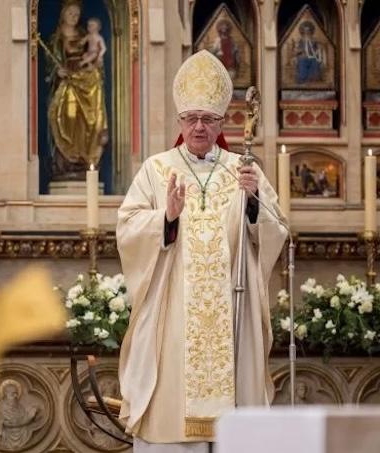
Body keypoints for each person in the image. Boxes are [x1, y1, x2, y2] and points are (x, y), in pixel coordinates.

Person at [116, 50, 287, 453]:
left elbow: (276, 230)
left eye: (208, 119)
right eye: (191, 118)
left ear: (221, 122)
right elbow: (127, 227)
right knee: (172, 410)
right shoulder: (157, 169)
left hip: (232, 310)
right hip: (174, 313)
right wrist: (166, 218)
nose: (199, 127)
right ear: (180, 121)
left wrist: (252, 201)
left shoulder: (244, 169)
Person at [46, 0, 108, 179]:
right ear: (63, 14)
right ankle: (68, 161)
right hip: (67, 81)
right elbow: (50, 61)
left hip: (84, 78)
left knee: (88, 118)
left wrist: (95, 64)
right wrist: (57, 71)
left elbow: (95, 53)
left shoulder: (84, 34)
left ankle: (86, 158)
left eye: (77, 14)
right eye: (70, 13)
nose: (74, 17)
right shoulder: (57, 37)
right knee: (66, 116)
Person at [293, 20, 325, 85]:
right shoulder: (300, 40)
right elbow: (296, 50)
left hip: (312, 56)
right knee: (302, 61)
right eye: (305, 31)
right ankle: (302, 79)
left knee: (315, 61)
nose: (307, 32)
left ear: (311, 31)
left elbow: (318, 49)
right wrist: (299, 51)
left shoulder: (314, 40)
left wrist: (317, 53)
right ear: (303, 31)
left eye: (308, 31)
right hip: (303, 56)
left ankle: (313, 80)